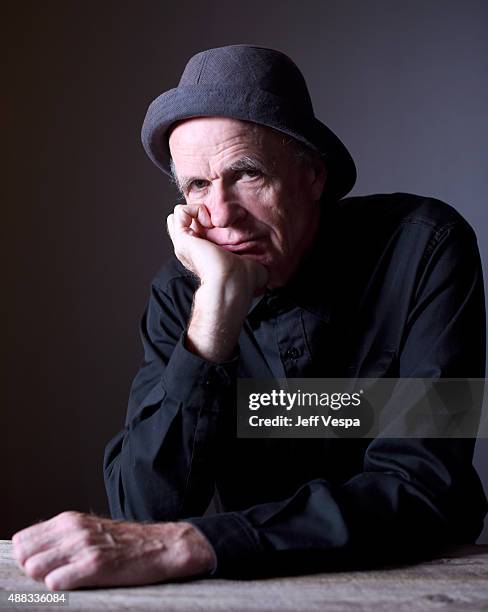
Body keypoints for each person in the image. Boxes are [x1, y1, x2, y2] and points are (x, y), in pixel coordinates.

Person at [12, 45, 487, 591]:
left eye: (247, 174)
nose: (223, 213)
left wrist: (199, 541)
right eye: (196, 186)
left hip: (421, 583)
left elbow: (421, 486)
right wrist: (214, 313)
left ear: (313, 175)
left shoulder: (426, 246)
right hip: (248, 590)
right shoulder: (184, 291)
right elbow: (141, 509)